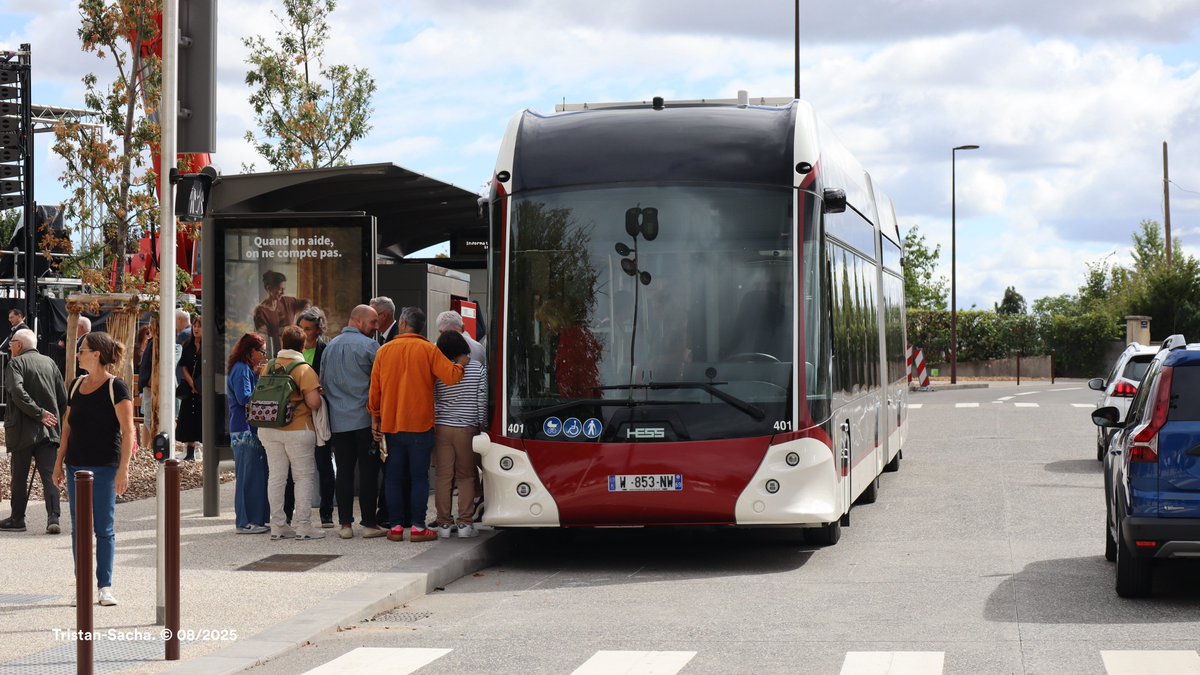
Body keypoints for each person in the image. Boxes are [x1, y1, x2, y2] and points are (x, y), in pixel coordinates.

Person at [51, 331, 135, 607]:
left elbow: (128, 431)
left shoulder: (117, 388)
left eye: (82, 350)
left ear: (96, 354)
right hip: (76, 466)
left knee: (104, 528)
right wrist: (58, 463)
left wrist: (123, 470)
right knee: (79, 529)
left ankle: (104, 586)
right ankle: (82, 585)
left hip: (104, 468)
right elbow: (67, 427)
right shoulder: (75, 385)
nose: (78, 354)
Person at [369, 307, 466, 543]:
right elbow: (452, 377)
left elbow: (374, 392)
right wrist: (462, 361)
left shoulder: (384, 351)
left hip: (392, 425)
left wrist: (375, 420)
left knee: (393, 477)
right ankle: (417, 527)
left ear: (402, 323)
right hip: (421, 426)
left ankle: (394, 527)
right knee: (419, 477)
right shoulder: (428, 350)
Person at [321, 304, 387, 539]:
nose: (376, 327)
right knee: (369, 472)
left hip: (339, 421)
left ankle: (345, 525)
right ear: (358, 321)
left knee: (345, 472)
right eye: (372, 322)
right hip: (365, 420)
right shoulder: (370, 346)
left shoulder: (330, 347)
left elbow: (323, 384)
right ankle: (369, 523)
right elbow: (380, 385)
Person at [259, 325, 325, 541]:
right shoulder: (303, 369)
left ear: (282, 343)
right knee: (303, 477)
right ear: (303, 344)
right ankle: (303, 526)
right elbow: (314, 403)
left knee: (276, 477)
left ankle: (278, 525)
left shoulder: (269, 366)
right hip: (298, 429)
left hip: (269, 429)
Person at [1, 329, 67, 534]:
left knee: (19, 476)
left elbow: (17, 392)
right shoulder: (50, 363)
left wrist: (39, 413)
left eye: (11, 343)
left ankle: (17, 519)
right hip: (49, 430)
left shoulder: (15, 364)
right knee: (50, 475)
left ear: (19, 345)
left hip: (23, 431)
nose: (10, 347)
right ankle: (53, 517)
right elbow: (62, 398)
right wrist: (51, 418)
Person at [432, 331, 487, 539]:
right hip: (468, 428)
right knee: (467, 476)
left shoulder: (439, 368)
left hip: (442, 427)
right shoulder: (477, 368)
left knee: (443, 477)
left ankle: (444, 524)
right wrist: (482, 426)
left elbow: (435, 399)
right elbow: (481, 400)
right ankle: (465, 523)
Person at [226, 333, 270, 534]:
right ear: (250, 351)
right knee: (247, 476)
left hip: (246, 428)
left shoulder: (244, 369)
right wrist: (263, 384)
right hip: (244, 430)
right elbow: (245, 398)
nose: (263, 356)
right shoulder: (242, 369)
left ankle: (255, 519)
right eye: (261, 351)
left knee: (254, 475)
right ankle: (245, 522)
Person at [297, 306, 334, 528]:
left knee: (324, 463)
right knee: (297, 466)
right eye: (300, 328)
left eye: (308, 329)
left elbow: (330, 381)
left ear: (318, 330)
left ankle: (326, 512)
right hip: (298, 416)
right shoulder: (293, 349)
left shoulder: (326, 350)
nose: (303, 333)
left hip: (319, 414)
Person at [254, 271, 310, 348]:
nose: (283, 292)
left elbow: (306, 302)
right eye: (280, 289)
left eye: (284, 289)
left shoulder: (288, 302)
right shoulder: (261, 312)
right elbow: (262, 339)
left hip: (295, 349)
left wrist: (302, 319)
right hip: (276, 353)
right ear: (269, 288)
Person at [175, 314, 203, 462]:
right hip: (190, 387)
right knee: (188, 417)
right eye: (195, 326)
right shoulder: (187, 345)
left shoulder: (208, 346)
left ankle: (199, 448)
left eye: (199, 326)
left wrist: (198, 385)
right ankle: (190, 451)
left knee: (200, 416)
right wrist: (191, 383)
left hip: (203, 388)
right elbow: (183, 365)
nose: (196, 329)